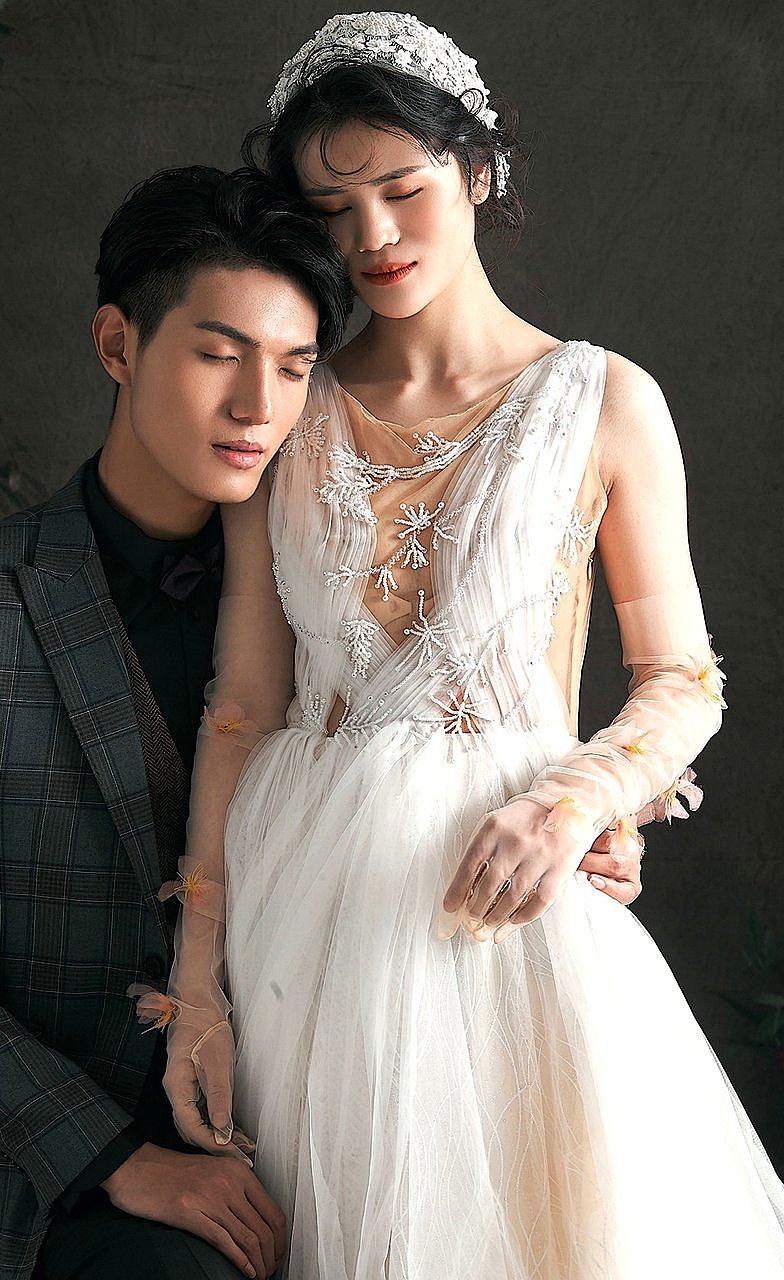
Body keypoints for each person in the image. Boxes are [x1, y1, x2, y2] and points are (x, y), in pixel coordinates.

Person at [158, 14, 784, 1278]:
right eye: (332, 209)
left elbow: (682, 679)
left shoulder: (603, 399)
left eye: (404, 189)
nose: (373, 236)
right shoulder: (289, 409)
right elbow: (244, 705)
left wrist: (576, 803)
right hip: (304, 918)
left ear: (480, 171)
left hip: (508, 899)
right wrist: (198, 989)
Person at [0, 164, 353, 1280]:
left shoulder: (330, 602)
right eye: (218, 353)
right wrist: (117, 1157)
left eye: (293, 367)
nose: (258, 406)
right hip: (88, 1174)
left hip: (334, 1120)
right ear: (118, 344)